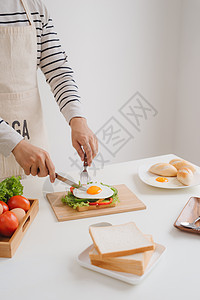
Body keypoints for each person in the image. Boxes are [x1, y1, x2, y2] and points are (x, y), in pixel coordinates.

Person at [0, 0, 98, 183]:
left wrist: (77, 119)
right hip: (23, 148)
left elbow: (58, 71)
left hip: (33, 155)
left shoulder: (34, 7)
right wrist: (15, 144)